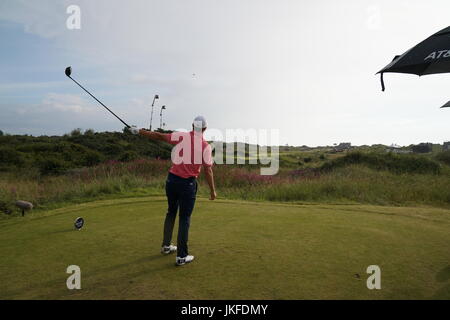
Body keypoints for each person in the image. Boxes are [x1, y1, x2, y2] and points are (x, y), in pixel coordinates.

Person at [131, 116, 216, 266]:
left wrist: (139, 131)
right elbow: (208, 171)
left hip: (171, 180)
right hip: (187, 185)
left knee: (171, 212)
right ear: (204, 129)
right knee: (184, 218)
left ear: (192, 125)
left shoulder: (181, 136)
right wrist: (212, 191)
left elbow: (158, 136)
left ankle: (166, 246)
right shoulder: (205, 146)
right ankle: (181, 256)